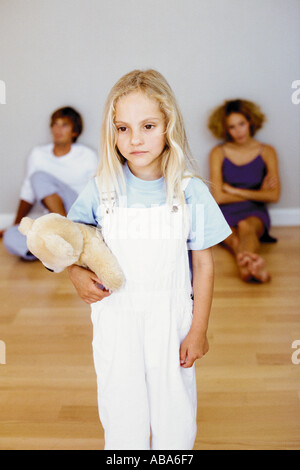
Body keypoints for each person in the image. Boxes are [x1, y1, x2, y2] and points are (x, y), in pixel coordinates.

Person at [67, 69, 232, 450]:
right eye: (123, 128)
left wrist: (199, 329)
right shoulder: (101, 189)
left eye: (148, 125)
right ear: (112, 132)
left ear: (168, 125)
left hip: (171, 320)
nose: (135, 139)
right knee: (121, 404)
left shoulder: (190, 190)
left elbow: (204, 265)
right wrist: (75, 274)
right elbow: (70, 242)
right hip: (115, 317)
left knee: (173, 409)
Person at [1, 107, 98, 260]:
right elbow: (28, 192)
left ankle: (65, 234)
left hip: (76, 212)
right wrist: (17, 225)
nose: (58, 129)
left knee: (39, 177)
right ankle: (59, 247)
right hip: (50, 219)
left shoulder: (87, 155)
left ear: (75, 132)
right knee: (10, 237)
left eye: (64, 125)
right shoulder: (38, 154)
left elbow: (97, 191)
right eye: (55, 124)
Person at [208, 99, 281, 283]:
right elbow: (218, 197)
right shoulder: (218, 152)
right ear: (226, 129)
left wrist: (234, 191)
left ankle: (245, 267)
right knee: (232, 238)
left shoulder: (267, 151)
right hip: (226, 210)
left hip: (254, 210)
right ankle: (251, 267)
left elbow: (274, 195)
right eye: (232, 127)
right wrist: (258, 193)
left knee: (246, 227)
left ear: (250, 122)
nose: (238, 131)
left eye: (241, 124)